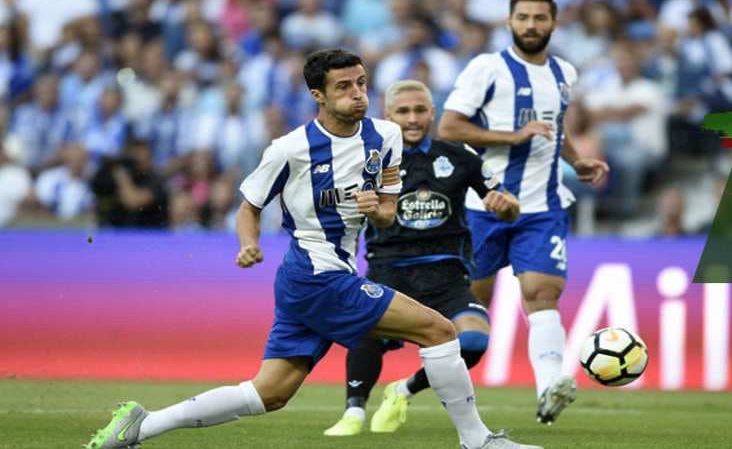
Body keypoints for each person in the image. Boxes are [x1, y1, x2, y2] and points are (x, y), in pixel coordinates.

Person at [84, 49, 540, 449]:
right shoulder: (290, 149)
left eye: (361, 83)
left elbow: (387, 213)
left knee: (269, 393)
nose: (357, 94)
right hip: (315, 275)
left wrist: (377, 208)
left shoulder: (386, 137)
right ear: (318, 96)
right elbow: (249, 208)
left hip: (322, 276)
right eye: (344, 87)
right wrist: (249, 244)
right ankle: (478, 441)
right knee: (440, 331)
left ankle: (142, 425)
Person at [437, 0, 608, 425]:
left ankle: (549, 387)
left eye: (539, 18)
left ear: (554, 22)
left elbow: (552, 127)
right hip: (484, 205)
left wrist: (576, 161)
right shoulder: (487, 68)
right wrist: (511, 137)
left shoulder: (565, 72)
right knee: (474, 310)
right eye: (523, 17)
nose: (531, 25)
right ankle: (422, 388)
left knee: (542, 293)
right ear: (509, 22)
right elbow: (449, 126)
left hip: (543, 206)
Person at [324, 80, 520, 437]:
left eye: (419, 110)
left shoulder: (460, 156)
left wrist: (505, 206)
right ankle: (353, 412)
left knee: (474, 341)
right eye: (403, 111)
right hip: (389, 271)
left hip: (447, 275)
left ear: (432, 113)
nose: (412, 119)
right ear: (388, 116)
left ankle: (403, 390)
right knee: (367, 332)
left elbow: (507, 203)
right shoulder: (367, 160)